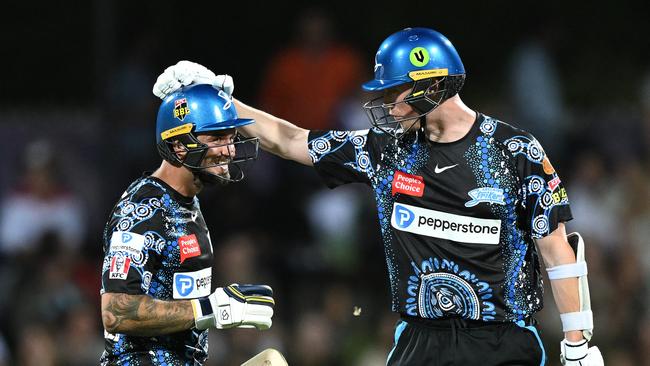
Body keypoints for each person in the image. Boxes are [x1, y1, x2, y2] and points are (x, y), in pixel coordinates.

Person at [154, 27, 603, 365]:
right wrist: (217, 99)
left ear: (433, 85)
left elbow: (557, 249)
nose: (386, 103)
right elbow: (290, 140)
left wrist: (578, 342)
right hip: (418, 343)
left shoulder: (515, 151)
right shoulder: (386, 151)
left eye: (395, 91)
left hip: (503, 342)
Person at [101, 81, 275, 365]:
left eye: (231, 137)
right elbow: (115, 312)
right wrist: (214, 308)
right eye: (217, 138)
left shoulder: (188, 199)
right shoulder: (142, 210)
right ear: (179, 146)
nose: (230, 150)